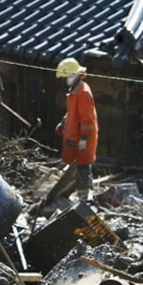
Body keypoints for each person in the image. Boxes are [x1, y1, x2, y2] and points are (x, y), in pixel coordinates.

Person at [55, 57, 98, 200]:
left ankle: (85, 199)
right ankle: (71, 194)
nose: (64, 80)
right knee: (75, 166)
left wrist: (83, 140)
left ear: (74, 75)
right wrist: (63, 123)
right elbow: (72, 113)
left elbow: (87, 120)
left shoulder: (83, 93)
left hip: (82, 138)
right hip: (73, 135)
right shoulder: (74, 90)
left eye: (65, 77)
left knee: (83, 166)